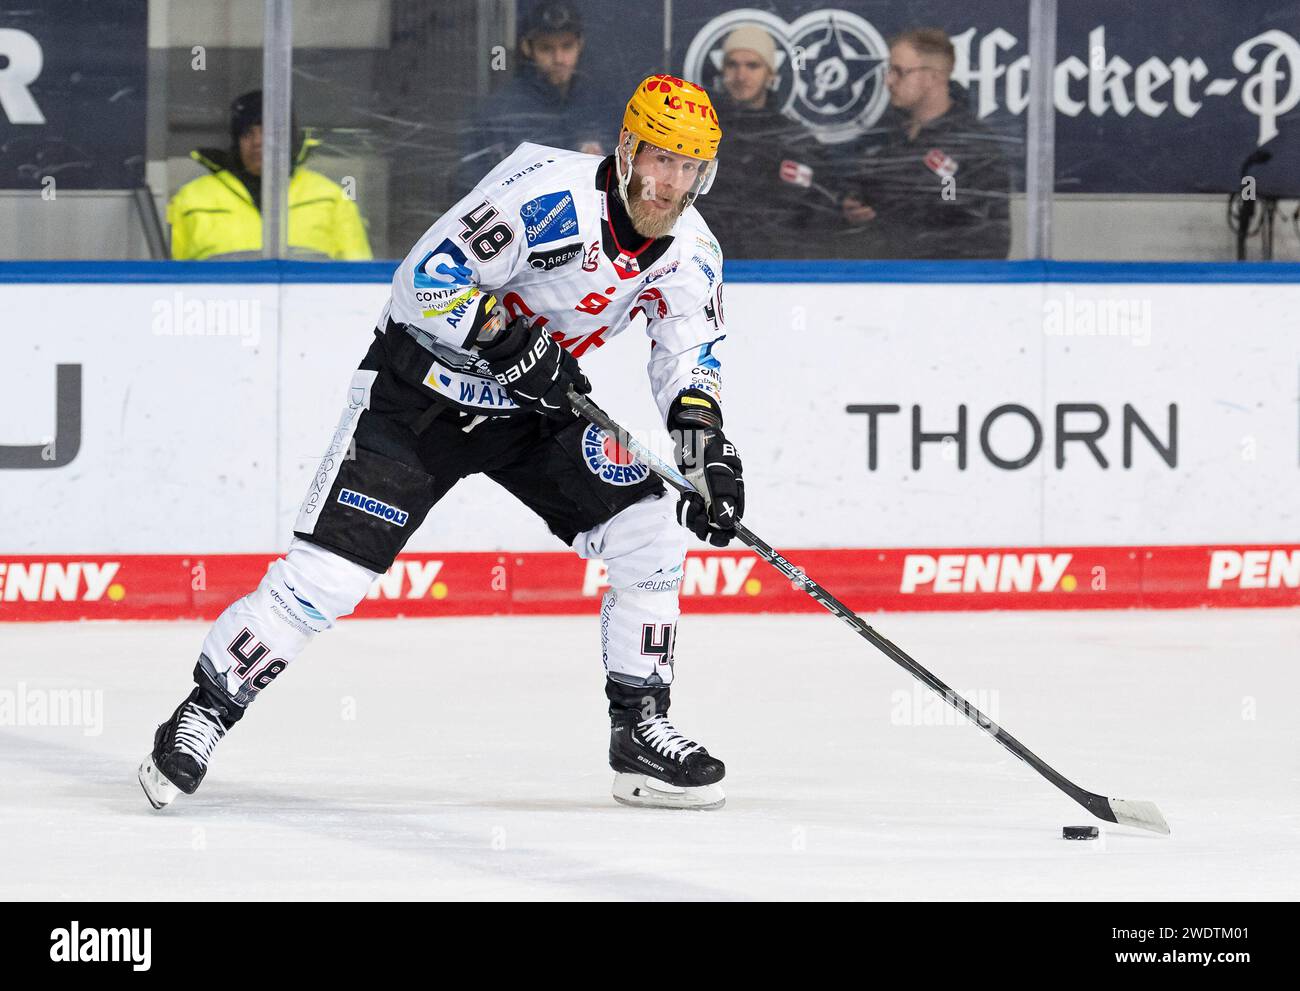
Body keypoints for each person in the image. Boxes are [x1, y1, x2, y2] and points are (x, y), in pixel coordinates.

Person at [139, 74, 744, 813]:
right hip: (421, 396)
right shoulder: (545, 197)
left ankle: (640, 730)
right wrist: (504, 335)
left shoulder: (692, 251)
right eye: (659, 159)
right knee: (327, 578)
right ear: (626, 150)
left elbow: (687, 357)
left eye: (688, 168)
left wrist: (704, 451)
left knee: (650, 525)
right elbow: (420, 283)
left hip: (531, 411)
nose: (669, 183)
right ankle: (204, 709)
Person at [836, 28, 1011, 259]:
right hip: (880, 281)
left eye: (899, 72)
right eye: (889, 70)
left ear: (933, 78)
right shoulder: (885, 135)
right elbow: (856, 189)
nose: (888, 81)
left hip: (941, 285)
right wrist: (851, 205)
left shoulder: (972, 146)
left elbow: (988, 236)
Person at [168, 90, 372, 261]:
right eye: (248, 133)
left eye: (269, 131)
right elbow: (168, 285)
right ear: (236, 141)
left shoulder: (330, 198)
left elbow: (359, 277)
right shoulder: (191, 199)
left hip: (309, 309)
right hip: (219, 309)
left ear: (288, 138)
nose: (258, 141)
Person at [455, 1, 613, 196]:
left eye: (567, 46)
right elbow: (471, 189)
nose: (559, 58)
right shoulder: (499, 115)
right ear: (527, 48)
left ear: (580, 44)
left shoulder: (601, 104)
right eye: (546, 48)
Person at [702, 25, 831, 258]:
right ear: (722, 71)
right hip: (705, 265)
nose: (741, 76)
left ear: (770, 74)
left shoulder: (795, 140)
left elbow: (818, 214)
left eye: (752, 65)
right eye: (733, 65)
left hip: (776, 274)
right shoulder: (699, 132)